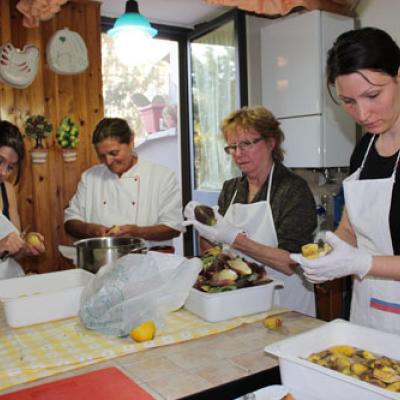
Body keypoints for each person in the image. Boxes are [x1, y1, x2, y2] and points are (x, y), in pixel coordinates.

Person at [290, 27, 400, 335]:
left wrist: (362, 264)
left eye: (373, 95)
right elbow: (350, 229)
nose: (363, 113)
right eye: (348, 101)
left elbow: (360, 258)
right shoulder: (364, 150)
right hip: (369, 311)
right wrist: (328, 255)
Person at [184, 106, 317, 316]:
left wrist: (233, 237)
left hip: (285, 304)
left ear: (271, 142)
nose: (238, 154)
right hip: (241, 300)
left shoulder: (292, 189)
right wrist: (206, 233)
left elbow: (289, 263)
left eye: (246, 144)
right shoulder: (231, 189)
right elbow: (215, 253)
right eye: (232, 147)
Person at [64, 117, 184, 247]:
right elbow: (70, 222)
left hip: (149, 261)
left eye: (114, 153)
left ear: (131, 142)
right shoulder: (90, 177)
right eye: (102, 156)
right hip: (103, 261)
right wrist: (90, 229)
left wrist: (138, 232)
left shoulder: (161, 176)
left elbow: (174, 227)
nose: (108, 161)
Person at [0, 120, 45, 279]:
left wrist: (24, 247)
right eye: (0, 161)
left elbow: (14, 254)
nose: (4, 173)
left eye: (10, 167)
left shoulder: (7, 190)